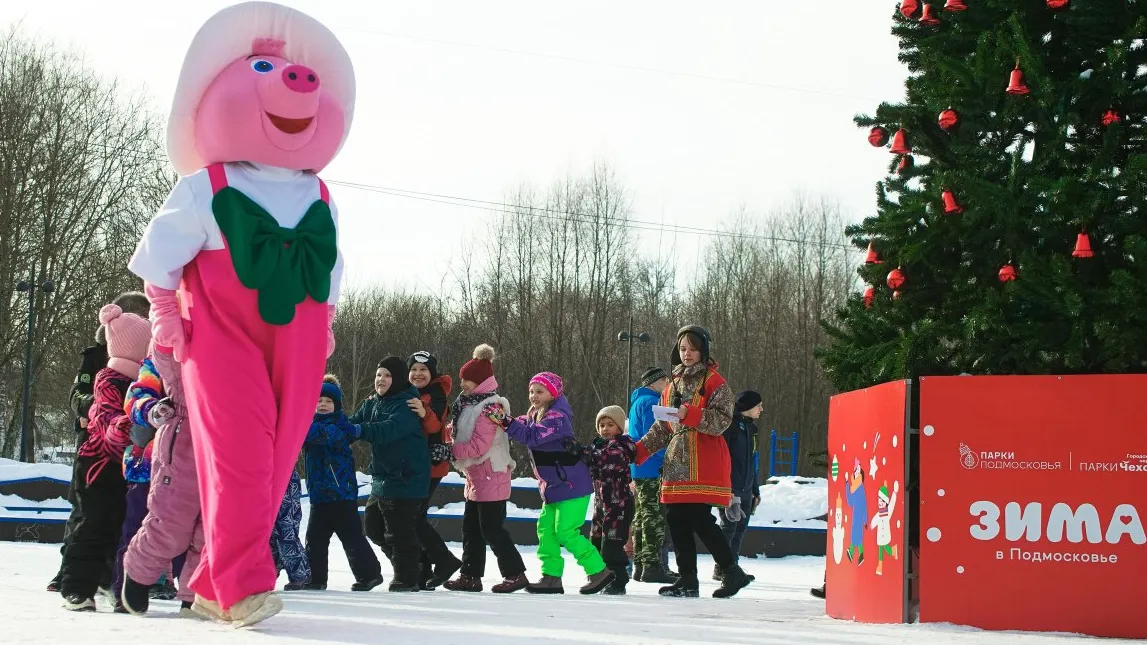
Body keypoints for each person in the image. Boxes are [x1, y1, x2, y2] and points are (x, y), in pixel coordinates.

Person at [125, 2, 354, 625]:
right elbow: (159, 259)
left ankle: (205, 584)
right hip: (222, 333)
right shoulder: (207, 184)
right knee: (241, 455)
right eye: (259, 70)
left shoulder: (320, 194)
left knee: (277, 460)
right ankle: (243, 584)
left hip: (302, 336)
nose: (296, 87)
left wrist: (327, 325)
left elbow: (331, 272)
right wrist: (165, 309)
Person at [632, 325, 751, 599]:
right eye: (683, 348)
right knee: (677, 519)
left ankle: (732, 570)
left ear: (703, 350)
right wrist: (636, 451)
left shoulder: (714, 382)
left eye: (693, 348)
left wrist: (691, 414)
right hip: (676, 462)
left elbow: (722, 421)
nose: (687, 354)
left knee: (699, 517)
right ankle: (688, 580)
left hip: (703, 459)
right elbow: (661, 428)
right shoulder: (672, 385)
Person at [49, 292, 150, 594]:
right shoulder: (96, 358)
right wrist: (93, 409)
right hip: (96, 450)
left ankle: (109, 577)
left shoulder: (147, 371)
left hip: (129, 455)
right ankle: (71, 576)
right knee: (86, 516)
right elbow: (79, 394)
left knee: (119, 518)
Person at [491, 371, 614, 595]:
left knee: (566, 531)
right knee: (546, 530)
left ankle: (598, 570)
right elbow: (522, 424)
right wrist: (503, 416)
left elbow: (532, 436)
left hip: (572, 484)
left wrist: (504, 422)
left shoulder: (558, 418)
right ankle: (551, 576)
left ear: (553, 393)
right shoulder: (536, 413)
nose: (534, 396)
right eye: (531, 391)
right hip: (553, 486)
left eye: (540, 391)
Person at [121, 346, 203, 618]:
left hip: (223, 437)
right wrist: (152, 408)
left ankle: (195, 594)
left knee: (211, 526)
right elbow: (139, 392)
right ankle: (138, 571)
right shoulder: (167, 346)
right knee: (170, 521)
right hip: (182, 437)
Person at [439, 345, 528, 594]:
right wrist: (444, 436)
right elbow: (458, 430)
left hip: (492, 474)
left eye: (467, 380)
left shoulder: (491, 408)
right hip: (476, 476)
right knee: (471, 528)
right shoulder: (467, 404)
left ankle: (515, 573)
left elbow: (479, 445)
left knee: (491, 529)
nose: (463, 384)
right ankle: (470, 575)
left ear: (480, 382)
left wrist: (451, 451)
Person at [352, 357, 428, 592]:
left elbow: (386, 430)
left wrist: (357, 429)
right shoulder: (373, 402)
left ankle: (408, 577)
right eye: (378, 375)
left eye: (386, 376)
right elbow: (353, 422)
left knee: (399, 532)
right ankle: (416, 567)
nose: (381, 380)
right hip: (383, 477)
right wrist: (329, 428)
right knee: (374, 527)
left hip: (406, 478)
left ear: (396, 379)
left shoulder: (407, 404)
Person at [302, 375, 383, 592]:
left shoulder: (339, 425)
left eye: (328, 401)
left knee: (351, 537)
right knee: (315, 539)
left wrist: (299, 421)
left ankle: (370, 574)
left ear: (336, 405)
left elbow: (324, 435)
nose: (323, 405)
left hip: (341, 493)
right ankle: (315, 578)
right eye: (318, 401)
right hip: (319, 495)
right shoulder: (308, 426)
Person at [405, 351, 463, 588]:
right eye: (414, 370)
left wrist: (422, 411)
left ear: (432, 373)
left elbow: (434, 425)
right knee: (414, 517)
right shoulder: (407, 392)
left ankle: (444, 561)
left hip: (430, 465)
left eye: (423, 370)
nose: (418, 374)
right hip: (412, 465)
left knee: (413, 517)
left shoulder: (437, 396)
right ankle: (424, 568)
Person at [627, 366, 675, 584]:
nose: (668, 387)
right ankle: (652, 566)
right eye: (666, 382)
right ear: (658, 382)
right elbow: (655, 436)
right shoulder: (652, 403)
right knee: (653, 518)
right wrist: (669, 459)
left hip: (641, 467)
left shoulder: (638, 401)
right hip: (653, 466)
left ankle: (640, 564)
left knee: (642, 516)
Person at [583, 405, 637, 595]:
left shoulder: (623, 446)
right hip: (601, 506)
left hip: (619, 505)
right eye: (602, 425)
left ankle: (618, 578)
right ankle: (600, 576)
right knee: (596, 542)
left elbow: (611, 460)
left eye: (610, 425)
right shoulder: (597, 447)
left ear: (620, 428)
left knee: (612, 545)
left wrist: (587, 454)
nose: (605, 429)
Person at [716, 390, 763, 581]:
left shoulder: (751, 429)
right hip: (731, 486)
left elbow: (752, 461)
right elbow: (722, 459)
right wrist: (725, 487)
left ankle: (732, 565)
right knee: (728, 527)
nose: (762, 409)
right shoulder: (730, 428)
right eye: (759, 405)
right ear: (748, 407)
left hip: (746, 487)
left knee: (740, 528)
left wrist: (755, 489)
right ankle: (722, 567)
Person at [270, 471, 310, 591]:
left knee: (284, 530)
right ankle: (268, 574)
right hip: (279, 477)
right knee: (274, 532)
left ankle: (299, 575)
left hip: (279, 478)